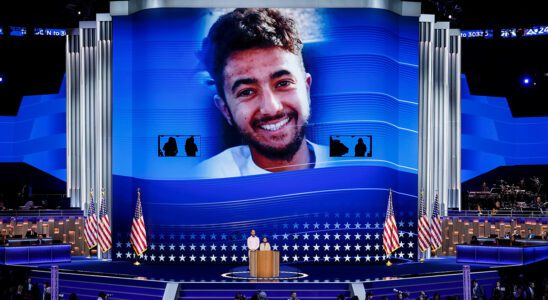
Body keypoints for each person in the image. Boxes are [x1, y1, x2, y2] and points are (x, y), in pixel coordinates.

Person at [197, 8, 330, 178]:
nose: (271, 108)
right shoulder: (204, 181)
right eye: (247, 92)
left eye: (283, 83)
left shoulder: (352, 168)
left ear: (306, 88)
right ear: (225, 110)